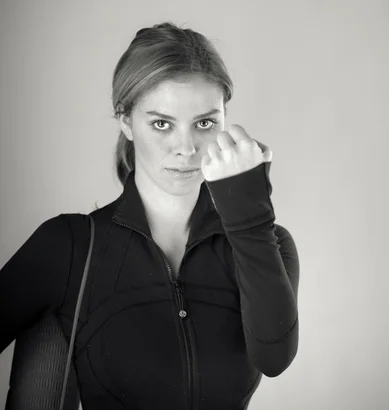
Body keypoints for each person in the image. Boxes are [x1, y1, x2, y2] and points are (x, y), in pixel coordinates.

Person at [0, 21, 300, 410]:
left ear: (226, 121)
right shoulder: (69, 246)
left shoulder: (267, 241)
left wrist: (250, 216)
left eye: (205, 123)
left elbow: (274, 358)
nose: (186, 148)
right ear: (125, 120)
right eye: (161, 124)